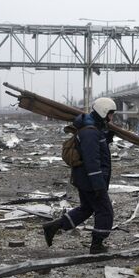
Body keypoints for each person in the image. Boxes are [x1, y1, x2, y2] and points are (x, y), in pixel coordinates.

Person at [43, 97, 117, 254]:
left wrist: (105, 139)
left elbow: (93, 152)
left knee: (86, 209)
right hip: (91, 180)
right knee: (105, 212)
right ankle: (97, 245)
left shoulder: (93, 128)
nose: (112, 118)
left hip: (84, 179)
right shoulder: (90, 132)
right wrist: (98, 185)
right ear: (103, 112)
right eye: (110, 114)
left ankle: (53, 227)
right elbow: (92, 161)